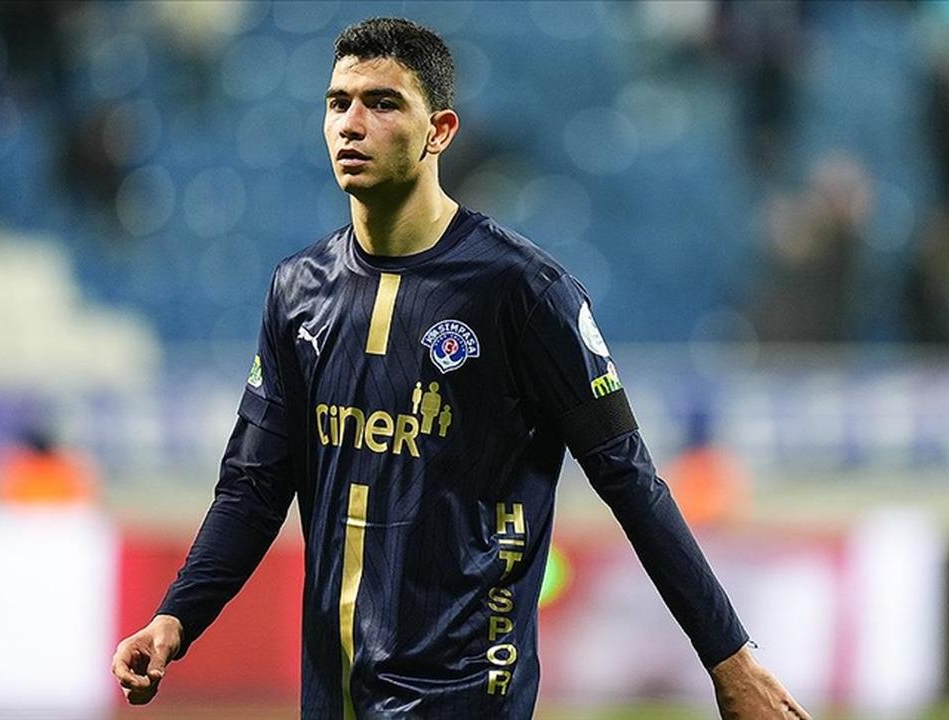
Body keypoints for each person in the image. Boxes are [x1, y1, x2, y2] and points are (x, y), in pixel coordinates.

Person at [112, 17, 809, 720]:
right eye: (338, 102)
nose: (352, 123)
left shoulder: (523, 293)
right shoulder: (298, 290)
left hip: (468, 697)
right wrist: (177, 617)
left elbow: (629, 479)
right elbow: (254, 487)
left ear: (438, 130)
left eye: (383, 103)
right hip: (333, 699)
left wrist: (729, 658)